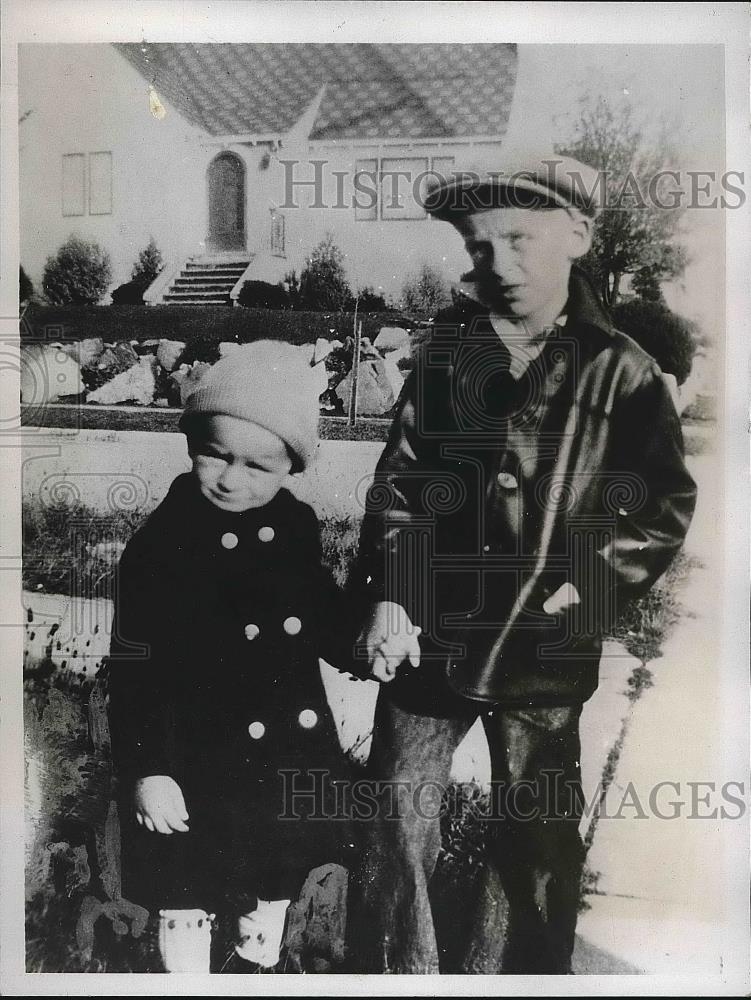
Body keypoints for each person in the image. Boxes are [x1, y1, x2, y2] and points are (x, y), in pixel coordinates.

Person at [346, 154, 697, 974]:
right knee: (395, 812)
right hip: (431, 633)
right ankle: (396, 973)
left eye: (518, 239)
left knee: (533, 834)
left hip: (542, 641)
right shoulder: (445, 357)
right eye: (477, 246)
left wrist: (592, 578)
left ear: (575, 236)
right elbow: (400, 481)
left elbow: (659, 505)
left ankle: (515, 978)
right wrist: (393, 593)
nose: (495, 264)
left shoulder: (623, 372)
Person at [106, 340, 355, 972]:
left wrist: (359, 642)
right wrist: (149, 768)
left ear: (290, 469)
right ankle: (186, 974)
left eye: (257, 467)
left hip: (282, 751)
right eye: (215, 455)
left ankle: (257, 953)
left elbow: (316, 607)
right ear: (192, 444)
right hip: (192, 750)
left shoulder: (294, 526)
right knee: (184, 883)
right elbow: (135, 668)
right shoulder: (162, 546)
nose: (230, 478)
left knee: (277, 867)